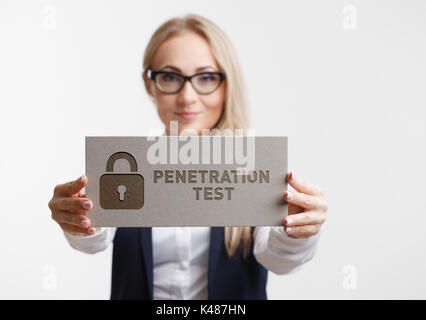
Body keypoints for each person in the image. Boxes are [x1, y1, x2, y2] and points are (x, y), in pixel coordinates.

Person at [48, 14, 328, 300]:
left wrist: (297, 230)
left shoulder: (253, 167)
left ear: (226, 85)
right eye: (170, 77)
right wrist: (78, 217)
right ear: (150, 85)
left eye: (206, 78)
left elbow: (279, 260)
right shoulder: (127, 166)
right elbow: (94, 240)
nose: (187, 97)